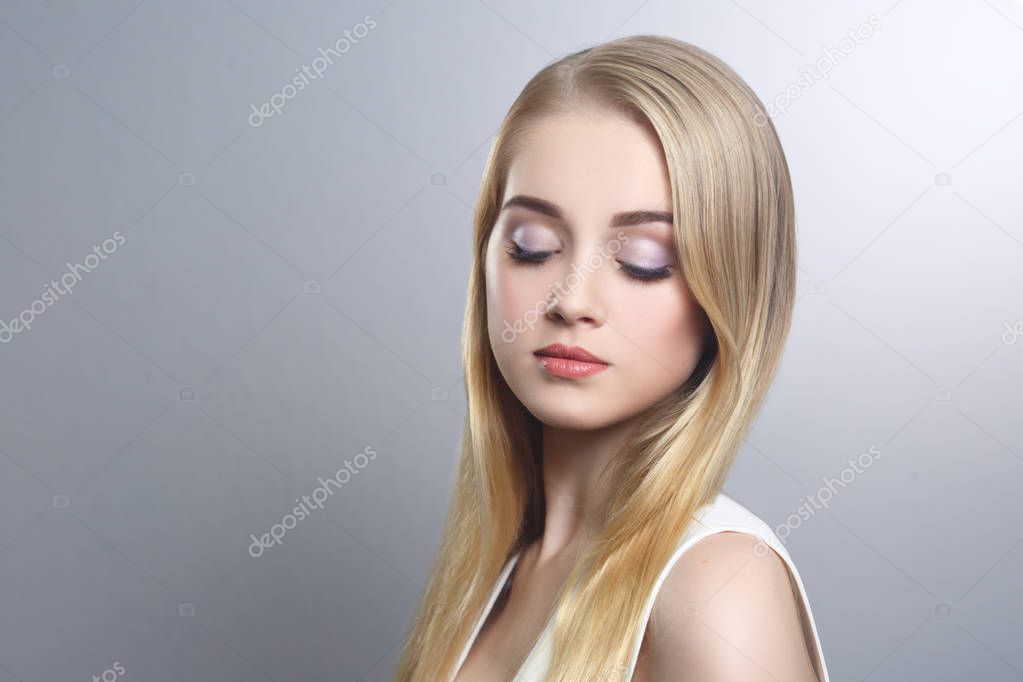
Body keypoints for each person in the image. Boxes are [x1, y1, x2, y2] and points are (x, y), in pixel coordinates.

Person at [394, 34, 829, 682]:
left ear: (728, 292)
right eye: (531, 245)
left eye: (643, 260)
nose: (572, 300)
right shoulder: (502, 567)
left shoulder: (716, 588)